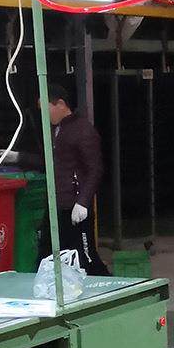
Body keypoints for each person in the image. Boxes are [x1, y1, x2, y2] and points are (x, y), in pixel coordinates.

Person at [46, 80, 108, 275]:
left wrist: (82, 202)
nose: (44, 114)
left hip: (76, 205)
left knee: (86, 257)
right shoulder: (56, 130)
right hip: (58, 204)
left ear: (60, 104)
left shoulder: (82, 130)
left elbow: (95, 169)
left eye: (46, 108)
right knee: (53, 254)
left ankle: (105, 285)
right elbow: (48, 161)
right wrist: (17, 157)